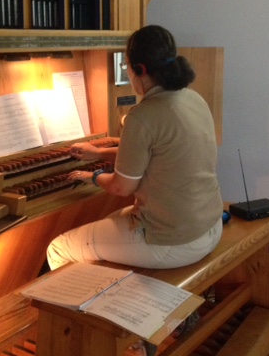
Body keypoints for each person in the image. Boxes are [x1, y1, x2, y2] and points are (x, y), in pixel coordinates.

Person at [46, 24, 223, 270]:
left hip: (174, 242)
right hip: (210, 226)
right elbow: (159, 154)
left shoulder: (142, 115)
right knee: (110, 221)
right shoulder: (194, 98)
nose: (127, 72)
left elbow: (121, 187)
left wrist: (92, 176)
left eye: (126, 66)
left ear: (140, 69)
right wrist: (98, 153)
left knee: (59, 247)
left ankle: (104, 296)